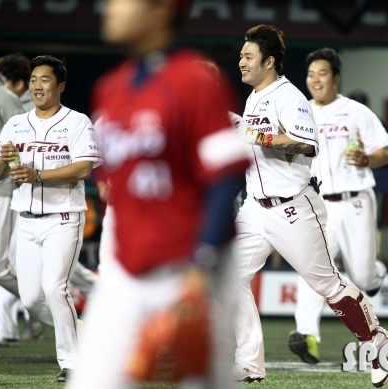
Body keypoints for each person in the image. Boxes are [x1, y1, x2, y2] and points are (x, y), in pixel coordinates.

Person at [67, 0, 249, 388]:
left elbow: (224, 178)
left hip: (189, 269)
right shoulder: (110, 89)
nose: (109, 7)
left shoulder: (195, 82)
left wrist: (201, 270)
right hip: (125, 272)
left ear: (162, 8)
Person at [233, 25, 388, 388]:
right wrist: (237, 127)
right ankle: (248, 362)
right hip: (255, 209)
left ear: (269, 61)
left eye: (248, 56)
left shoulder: (288, 95)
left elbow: (305, 144)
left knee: (328, 284)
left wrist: (253, 134)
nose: (240, 61)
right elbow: (252, 138)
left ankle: (377, 341)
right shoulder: (255, 97)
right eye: (242, 55)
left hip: (292, 207)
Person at [0, 55, 103, 381]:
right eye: (35, 79)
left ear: (61, 85)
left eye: (46, 80)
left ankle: (72, 362)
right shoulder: (16, 123)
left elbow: (84, 168)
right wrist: (5, 160)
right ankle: (81, 334)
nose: (38, 85)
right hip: (25, 219)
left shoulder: (78, 121)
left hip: (63, 217)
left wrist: (37, 174)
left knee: (55, 288)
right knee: (29, 298)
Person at [288, 48, 388, 364]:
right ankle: (307, 336)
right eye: (310, 74)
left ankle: (376, 275)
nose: (315, 79)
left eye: (322, 73)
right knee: (312, 269)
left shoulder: (357, 111)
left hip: (355, 200)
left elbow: (384, 153)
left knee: (362, 274)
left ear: (336, 77)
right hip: (318, 205)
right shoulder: (298, 112)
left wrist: (366, 158)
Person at [0, 44, 27, 342]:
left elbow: (19, 146)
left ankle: (42, 307)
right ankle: (11, 325)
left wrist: (13, 172)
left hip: (3, 191)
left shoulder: (6, 98)